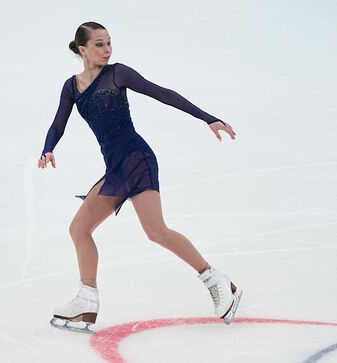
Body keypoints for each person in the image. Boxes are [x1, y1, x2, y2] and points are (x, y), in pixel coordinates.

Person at [38, 21, 242, 333]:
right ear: (82, 50)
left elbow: (163, 94)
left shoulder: (118, 73)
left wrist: (208, 118)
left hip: (136, 159)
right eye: (99, 44)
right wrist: (48, 148)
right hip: (115, 167)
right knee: (80, 228)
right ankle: (86, 299)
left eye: (108, 43)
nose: (106, 50)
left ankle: (217, 281)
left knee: (157, 231)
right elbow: (58, 124)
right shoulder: (72, 86)